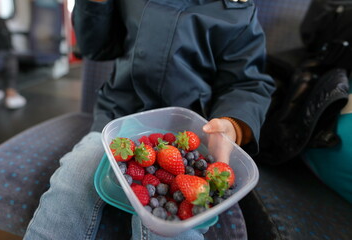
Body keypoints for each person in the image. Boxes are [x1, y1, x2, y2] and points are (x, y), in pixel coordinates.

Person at [24, 0, 274, 239]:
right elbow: (95, 47)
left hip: (191, 135)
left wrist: (233, 125)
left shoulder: (237, 9)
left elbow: (248, 82)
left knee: (174, 221)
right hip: (119, 116)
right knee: (72, 182)